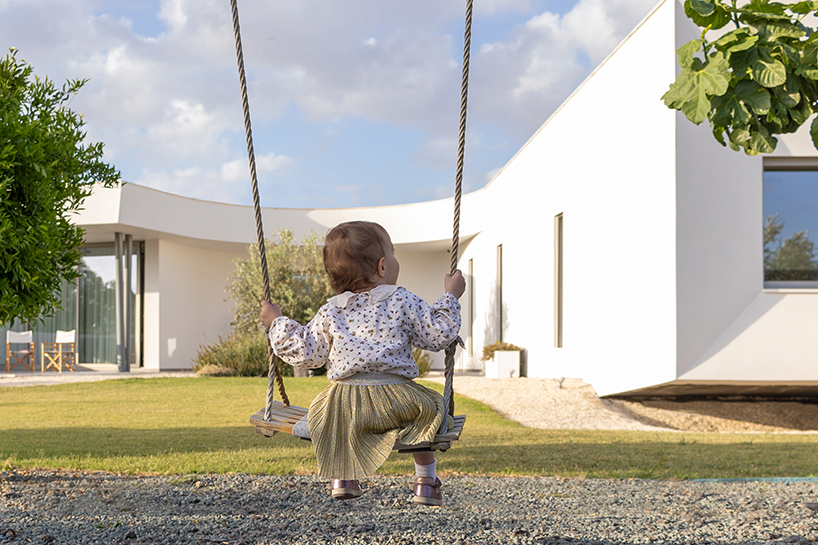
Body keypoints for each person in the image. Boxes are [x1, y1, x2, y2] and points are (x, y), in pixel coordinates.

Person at [260, 220, 465, 506]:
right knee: (428, 414)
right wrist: (451, 296)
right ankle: (426, 482)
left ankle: (342, 478)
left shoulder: (331, 310)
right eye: (393, 253)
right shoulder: (402, 299)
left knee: (335, 418)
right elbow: (437, 334)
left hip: (345, 403)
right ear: (382, 266)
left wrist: (276, 321)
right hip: (399, 402)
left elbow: (307, 352)